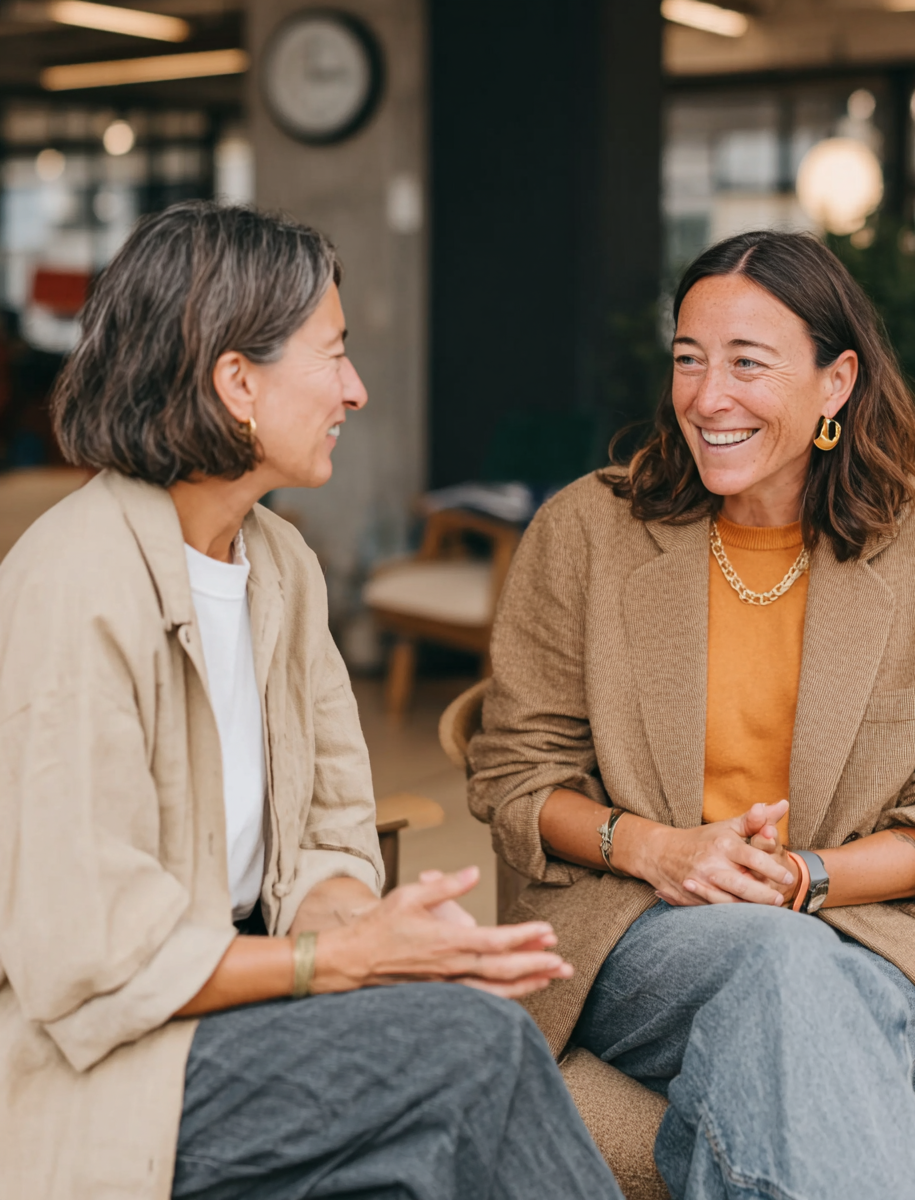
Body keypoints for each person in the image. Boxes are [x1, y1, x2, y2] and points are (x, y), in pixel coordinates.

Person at [0, 202, 626, 1200]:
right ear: (236, 383)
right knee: (478, 1053)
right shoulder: (75, 586)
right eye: (331, 355)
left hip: (236, 1020)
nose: (356, 389)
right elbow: (92, 960)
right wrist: (334, 964)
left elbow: (335, 830)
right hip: (110, 1068)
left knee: (446, 1096)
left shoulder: (279, 566)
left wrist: (369, 936)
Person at [468, 230, 915, 1200]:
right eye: (686, 359)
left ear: (835, 382)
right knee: (783, 974)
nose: (707, 397)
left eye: (747, 364)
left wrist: (800, 879)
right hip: (637, 930)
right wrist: (659, 851)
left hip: (886, 937)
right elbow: (514, 777)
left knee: (785, 1003)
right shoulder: (586, 530)